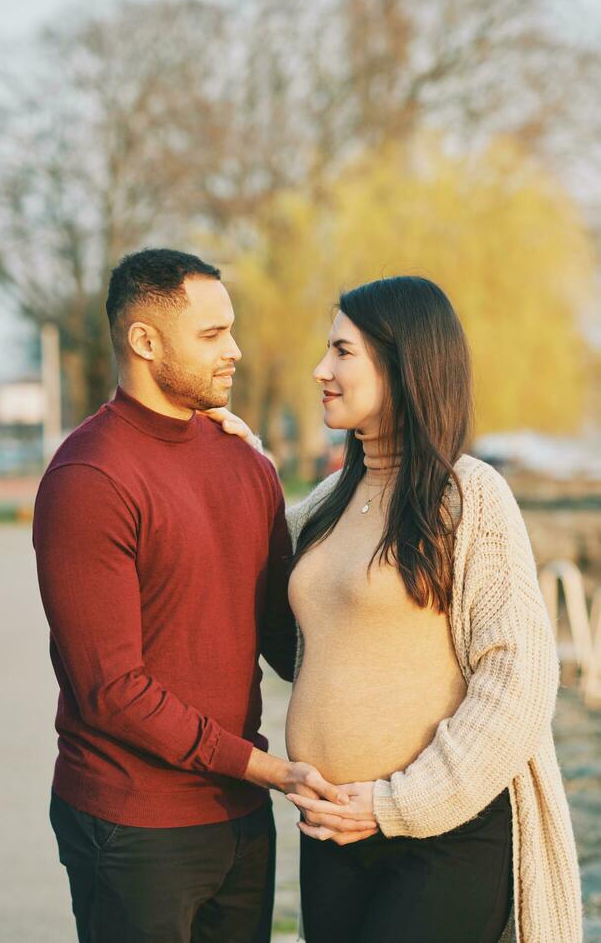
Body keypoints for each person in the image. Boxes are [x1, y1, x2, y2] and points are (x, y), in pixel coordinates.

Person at [214, 275, 582, 943]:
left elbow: (518, 682)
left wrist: (394, 804)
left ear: (401, 362)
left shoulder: (467, 498)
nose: (320, 370)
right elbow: (276, 618)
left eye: (342, 351)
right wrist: (237, 466)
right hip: (331, 832)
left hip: (437, 839)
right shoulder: (326, 503)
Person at [32, 248, 353, 943]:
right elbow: (112, 690)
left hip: (238, 818)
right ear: (145, 342)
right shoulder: (89, 478)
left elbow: (284, 637)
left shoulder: (246, 463)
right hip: (131, 825)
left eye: (229, 330)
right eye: (211, 336)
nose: (234, 351)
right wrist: (267, 768)